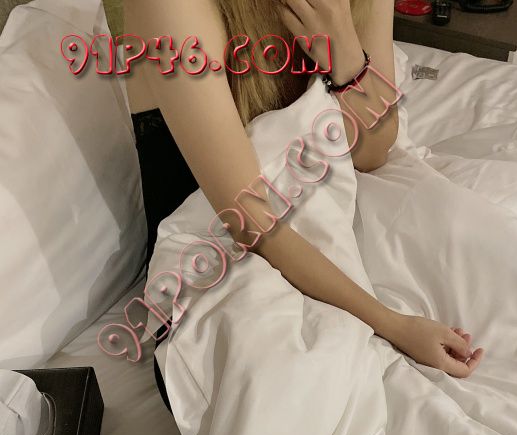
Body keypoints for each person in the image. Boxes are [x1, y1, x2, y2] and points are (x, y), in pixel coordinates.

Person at [124, 0, 484, 411]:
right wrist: (393, 325)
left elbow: (373, 151)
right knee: (291, 385)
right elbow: (251, 222)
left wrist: (343, 45)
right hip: (216, 255)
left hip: (321, 207)